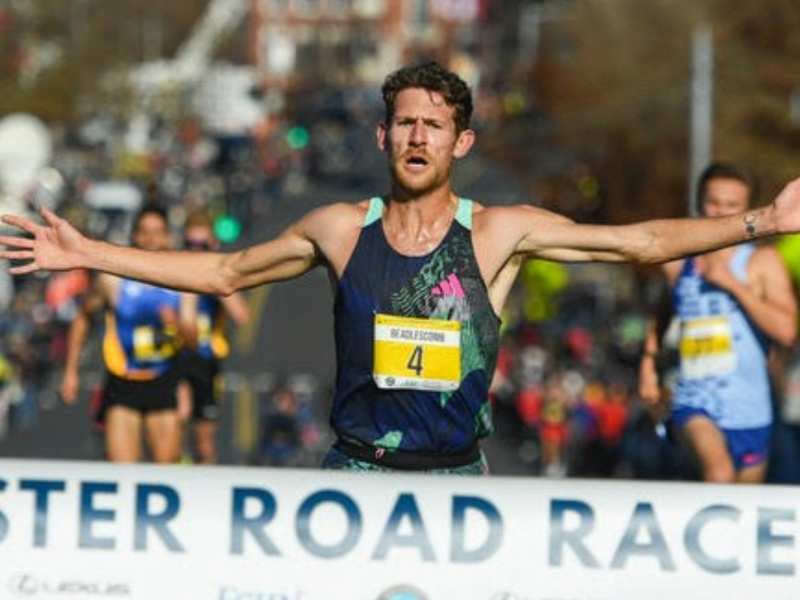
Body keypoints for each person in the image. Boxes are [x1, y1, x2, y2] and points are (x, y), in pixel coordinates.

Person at [5, 62, 800, 475]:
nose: (419, 137)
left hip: (455, 477)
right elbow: (223, 272)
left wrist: (761, 220)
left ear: (463, 143)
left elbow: (638, 243)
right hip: (353, 471)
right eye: (406, 124)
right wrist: (85, 252)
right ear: (383, 138)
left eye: (436, 125)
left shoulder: (500, 233)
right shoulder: (340, 227)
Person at [638, 161, 798, 483]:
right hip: (695, 400)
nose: (721, 213)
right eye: (713, 203)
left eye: (731, 205)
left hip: (751, 410)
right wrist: (648, 366)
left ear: (747, 209)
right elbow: (663, 313)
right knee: (719, 473)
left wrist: (733, 285)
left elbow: (787, 330)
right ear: (699, 204)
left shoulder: (761, 263)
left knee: (742, 501)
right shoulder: (678, 264)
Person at [58, 203, 197, 463]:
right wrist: (70, 371)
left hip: (163, 381)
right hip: (123, 383)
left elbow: (192, 341)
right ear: (135, 235)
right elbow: (83, 317)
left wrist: (175, 321)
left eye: (158, 232)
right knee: (123, 473)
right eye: (144, 231)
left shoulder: (183, 281)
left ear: (168, 236)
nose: (151, 239)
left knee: (165, 470)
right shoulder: (114, 280)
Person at [176, 210, 250, 464]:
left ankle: (205, 485)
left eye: (202, 245)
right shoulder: (173, 270)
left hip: (207, 362)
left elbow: (242, 316)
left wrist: (214, 278)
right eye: (190, 245)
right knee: (177, 420)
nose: (196, 250)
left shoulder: (219, 274)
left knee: (204, 440)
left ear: (213, 245)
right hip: (176, 357)